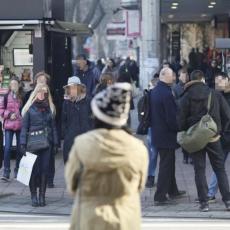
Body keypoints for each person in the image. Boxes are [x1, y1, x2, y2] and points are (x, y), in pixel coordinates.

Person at [65, 83, 148, 230]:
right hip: (125, 220)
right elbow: (139, 186)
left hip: (89, 220)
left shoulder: (82, 144)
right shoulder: (138, 148)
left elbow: (72, 185)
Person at [178, 70, 230, 212]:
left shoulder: (186, 96)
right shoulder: (214, 94)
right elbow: (227, 115)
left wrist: (187, 131)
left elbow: (180, 121)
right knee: (219, 169)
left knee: (199, 171)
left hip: (195, 138)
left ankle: (204, 203)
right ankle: (227, 200)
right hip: (214, 137)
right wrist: (221, 132)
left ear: (191, 80)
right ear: (203, 80)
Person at [150, 67, 185, 205]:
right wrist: (178, 128)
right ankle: (160, 196)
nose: (174, 78)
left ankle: (173, 190)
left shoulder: (155, 91)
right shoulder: (166, 93)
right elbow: (171, 117)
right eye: (172, 76)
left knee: (169, 163)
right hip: (167, 135)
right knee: (166, 165)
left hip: (158, 133)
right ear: (164, 76)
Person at [20, 84, 58, 207]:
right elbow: (24, 128)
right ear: (36, 93)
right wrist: (22, 143)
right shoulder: (29, 109)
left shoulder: (49, 109)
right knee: (33, 170)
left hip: (47, 144)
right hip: (32, 144)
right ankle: (33, 196)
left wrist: (56, 142)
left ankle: (42, 196)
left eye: (45, 92)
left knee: (44, 170)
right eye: (41, 91)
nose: (43, 94)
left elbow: (53, 127)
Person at [207, 73, 230, 202]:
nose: (217, 84)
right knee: (219, 165)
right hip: (224, 136)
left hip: (225, 134)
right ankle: (211, 193)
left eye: (220, 81)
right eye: (216, 82)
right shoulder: (217, 95)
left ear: (227, 80)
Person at [62, 76, 92, 163]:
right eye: (70, 87)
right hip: (70, 141)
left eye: (75, 87)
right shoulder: (66, 103)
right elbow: (63, 121)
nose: (73, 89)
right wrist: (66, 135)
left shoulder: (89, 101)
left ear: (80, 88)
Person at [0, 76, 23, 181]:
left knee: (19, 149)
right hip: (9, 125)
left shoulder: (22, 96)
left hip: (20, 126)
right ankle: (6, 172)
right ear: (9, 85)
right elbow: (1, 110)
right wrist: (9, 115)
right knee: (8, 148)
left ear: (18, 86)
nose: (14, 86)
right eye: (12, 84)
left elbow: (25, 110)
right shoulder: (5, 97)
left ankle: (18, 171)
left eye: (15, 84)